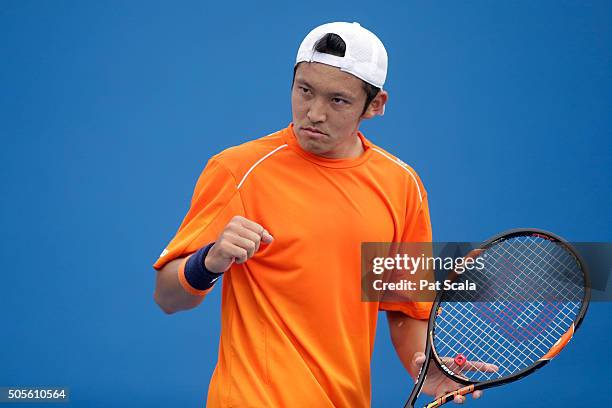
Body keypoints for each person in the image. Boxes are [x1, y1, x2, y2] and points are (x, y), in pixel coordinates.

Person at [153, 21, 485, 407]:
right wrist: (208, 261)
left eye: (338, 100)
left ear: (375, 106)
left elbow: (403, 306)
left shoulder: (403, 185)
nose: (314, 113)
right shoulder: (237, 170)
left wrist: (422, 366)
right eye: (304, 90)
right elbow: (167, 297)